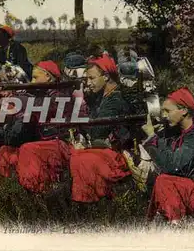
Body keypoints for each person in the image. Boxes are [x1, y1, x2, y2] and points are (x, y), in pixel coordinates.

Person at [142, 87, 194, 225]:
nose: (164, 116)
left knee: (163, 180)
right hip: (190, 189)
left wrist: (152, 137)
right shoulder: (178, 136)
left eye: (168, 111)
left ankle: (175, 223)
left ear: (184, 111)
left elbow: (172, 166)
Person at [69, 53, 133, 203]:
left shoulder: (115, 99)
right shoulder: (104, 96)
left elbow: (97, 132)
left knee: (81, 159)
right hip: (108, 150)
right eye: (86, 80)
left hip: (119, 154)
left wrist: (89, 105)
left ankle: (91, 203)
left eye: (91, 78)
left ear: (105, 77)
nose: (88, 83)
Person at [12, 61, 72, 193]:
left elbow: (40, 109)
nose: (32, 81)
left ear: (48, 76)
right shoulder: (42, 94)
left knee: (27, 148)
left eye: (35, 77)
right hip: (47, 142)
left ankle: (36, 192)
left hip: (60, 142)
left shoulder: (59, 95)